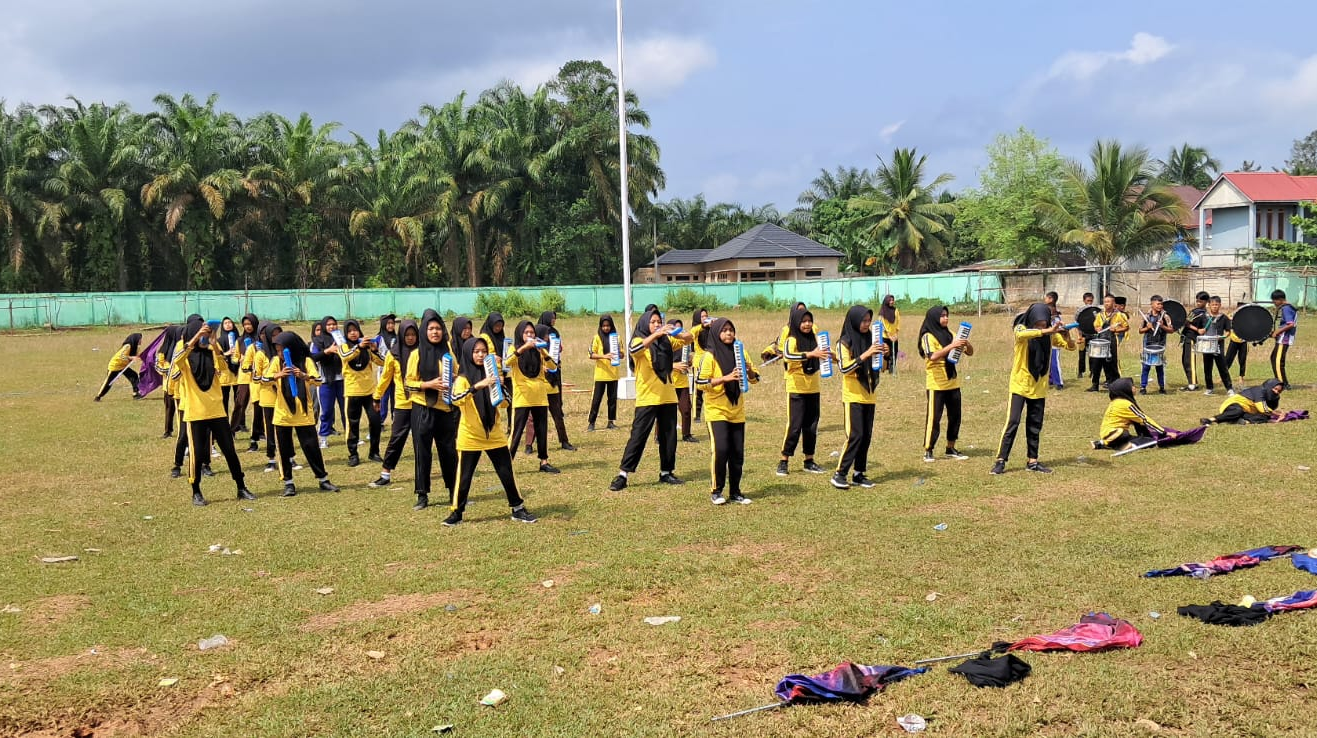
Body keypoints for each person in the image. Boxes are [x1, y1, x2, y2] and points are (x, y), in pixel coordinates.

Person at [444, 336, 538, 526]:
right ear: (469, 354)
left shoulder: (492, 375)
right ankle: (456, 512)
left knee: (506, 472)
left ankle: (517, 508)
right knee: (464, 476)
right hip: (470, 435)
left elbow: (505, 403)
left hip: (493, 434)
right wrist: (477, 386)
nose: (480, 355)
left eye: (483, 351)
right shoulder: (462, 379)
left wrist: (499, 385)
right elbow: (455, 399)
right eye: (476, 351)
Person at [170, 317, 253, 506]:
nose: (203, 337)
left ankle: (241, 486)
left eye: (205, 333)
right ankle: (196, 491)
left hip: (217, 412)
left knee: (230, 451)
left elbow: (224, 367)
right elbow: (177, 360)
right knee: (197, 454)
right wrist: (195, 338)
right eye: (200, 333)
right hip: (196, 413)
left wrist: (214, 345)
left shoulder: (210, 353)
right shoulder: (185, 357)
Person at [608, 307, 690, 491]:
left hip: (668, 396)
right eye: (653, 322)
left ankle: (666, 472)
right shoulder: (639, 340)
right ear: (645, 323)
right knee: (638, 437)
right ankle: (623, 474)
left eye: (658, 322)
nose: (656, 325)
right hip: (647, 398)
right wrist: (657, 333)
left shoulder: (666, 341)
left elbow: (689, 339)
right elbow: (634, 348)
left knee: (669, 437)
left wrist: (677, 331)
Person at [991, 303, 1074, 475]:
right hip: (1020, 385)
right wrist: (1047, 331)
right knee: (1012, 423)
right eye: (1038, 323)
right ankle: (1001, 460)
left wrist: (1068, 337)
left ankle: (1033, 461)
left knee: (1035, 425)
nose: (1041, 327)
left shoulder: (1050, 334)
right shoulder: (1022, 328)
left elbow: (1071, 347)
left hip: (1039, 387)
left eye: (1044, 324)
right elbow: (1021, 334)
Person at [265, 331, 339, 496]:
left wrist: (303, 375)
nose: (279, 354)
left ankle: (323, 479)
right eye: (277, 350)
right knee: (284, 450)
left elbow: (318, 380)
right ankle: (288, 483)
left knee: (311, 447)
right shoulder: (277, 362)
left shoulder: (306, 361)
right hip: (283, 415)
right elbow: (263, 380)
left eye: (282, 350)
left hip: (304, 414)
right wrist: (279, 375)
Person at [697, 317, 759, 505]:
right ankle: (716, 491)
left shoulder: (741, 352)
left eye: (731, 329)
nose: (729, 333)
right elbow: (700, 383)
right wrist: (725, 378)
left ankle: (736, 491)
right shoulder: (709, 356)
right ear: (716, 333)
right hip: (716, 411)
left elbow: (755, 379)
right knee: (721, 449)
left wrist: (749, 371)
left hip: (737, 410)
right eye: (724, 330)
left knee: (737, 453)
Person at [404, 310, 461, 511]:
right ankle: (422, 494)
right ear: (424, 331)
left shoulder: (448, 352)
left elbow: (457, 373)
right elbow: (408, 383)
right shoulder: (416, 354)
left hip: (445, 409)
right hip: (423, 409)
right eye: (430, 329)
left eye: (438, 328)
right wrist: (428, 384)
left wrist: (454, 379)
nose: (435, 332)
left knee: (449, 451)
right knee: (423, 452)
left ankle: (453, 491)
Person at [831, 305, 888, 489]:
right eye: (863, 321)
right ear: (854, 320)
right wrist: (866, 354)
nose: (866, 324)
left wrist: (884, 355)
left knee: (866, 436)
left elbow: (881, 368)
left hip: (869, 395)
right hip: (853, 396)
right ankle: (840, 473)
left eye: (868, 321)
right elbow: (844, 368)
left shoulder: (872, 339)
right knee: (855, 435)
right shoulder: (844, 342)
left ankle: (859, 473)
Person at [777, 307, 829, 475]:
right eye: (803, 321)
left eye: (809, 321)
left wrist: (831, 356)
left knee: (812, 425)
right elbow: (788, 356)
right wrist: (810, 354)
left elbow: (822, 353)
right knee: (795, 425)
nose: (807, 324)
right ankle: (784, 460)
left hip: (813, 387)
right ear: (797, 322)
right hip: (796, 387)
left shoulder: (815, 337)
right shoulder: (791, 339)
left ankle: (809, 459)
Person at [369, 319, 419, 492]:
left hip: (421, 403)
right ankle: (385, 474)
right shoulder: (393, 354)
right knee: (396, 439)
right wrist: (377, 397)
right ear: (401, 335)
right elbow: (385, 378)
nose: (411, 338)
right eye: (407, 335)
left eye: (413, 335)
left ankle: (422, 478)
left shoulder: (423, 352)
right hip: (403, 404)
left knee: (422, 441)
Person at [918, 306, 973, 462]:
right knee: (934, 418)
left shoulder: (951, 334)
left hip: (952, 381)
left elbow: (970, 352)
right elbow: (933, 356)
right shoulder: (927, 336)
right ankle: (928, 449)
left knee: (955, 416)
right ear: (934, 318)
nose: (946, 318)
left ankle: (951, 447)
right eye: (942, 316)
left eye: (947, 315)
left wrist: (966, 344)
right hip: (936, 383)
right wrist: (951, 346)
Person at [506, 319, 561, 474]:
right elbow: (508, 362)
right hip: (522, 397)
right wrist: (523, 348)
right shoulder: (514, 348)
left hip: (539, 395)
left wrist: (543, 351)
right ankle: (508, 461)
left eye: (532, 333)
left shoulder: (539, 351)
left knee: (541, 429)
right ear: (520, 334)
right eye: (527, 332)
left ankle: (544, 461)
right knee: (517, 430)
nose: (530, 335)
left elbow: (553, 367)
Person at [526, 311, 575, 451]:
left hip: (552, 384)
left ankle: (564, 441)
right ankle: (529, 444)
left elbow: (555, 361)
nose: (548, 338)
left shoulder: (548, 350)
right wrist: (541, 367)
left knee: (557, 414)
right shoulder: (532, 349)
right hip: (538, 387)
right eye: (546, 336)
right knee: (532, 417)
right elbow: (528, 366)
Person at [340, 319, 385, 466]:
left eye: (356, 330)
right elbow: (345, 356)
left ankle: (374, 452)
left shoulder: (366, 348)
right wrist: (358, 347)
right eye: (350, 331)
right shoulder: (343, 346)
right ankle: (353, 454)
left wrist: (374, 350)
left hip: (370, 392)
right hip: (352, 392)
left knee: (375, 422)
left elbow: (383, 362)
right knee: (353, 424)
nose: (353, 333)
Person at [1091, 378, 1169, 453]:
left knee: (1150, 441)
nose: (1135, 388)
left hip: (1115, 435)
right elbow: (1144, 419)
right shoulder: (1125, 404)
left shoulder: (1117, 401)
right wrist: (1164, 432)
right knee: (1123, 433)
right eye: (1132, 386)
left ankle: (1105, 444)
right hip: (1114, 434)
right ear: (1125, 389)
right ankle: (1107, 443)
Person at [249, 322, 282, 472]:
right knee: (270, 429)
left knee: (284, 429)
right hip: (268, 397)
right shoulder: (260, 354)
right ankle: (272, 458)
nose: (276, 338)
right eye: (273, 335)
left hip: (283, 396)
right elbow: (255, 378)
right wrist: (272, 378)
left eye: (278, 334)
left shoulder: (282, 352)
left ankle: (288, 457)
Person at [311, 315, 346, 447]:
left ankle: (351, 435)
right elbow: (313, 357)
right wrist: (328, 351)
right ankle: (323, 438)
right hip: (326, 381)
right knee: (326, 410)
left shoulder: (340, 338)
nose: (332, 327)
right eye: (329, 325)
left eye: (334, 324)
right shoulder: (317, 341)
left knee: (346, 409)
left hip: (342, 379)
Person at [1086, 295, 1128, 391]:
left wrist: (1116, 329)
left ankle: (1112, 383)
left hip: (1112, 340)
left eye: (1108, 302)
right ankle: (1095, 385)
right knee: (1096, 362)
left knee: (1110, 362)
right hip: (1100, 339)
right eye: (1105, 302)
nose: (1106, 304)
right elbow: (1096, 326)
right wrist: (1097, 328)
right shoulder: (1100, 315)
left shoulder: (1119, 315)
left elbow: (1126, 327)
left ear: (1113, 304)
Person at [587, 314, 620, 431]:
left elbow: (622, 353)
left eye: (608, 325)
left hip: (613, 374)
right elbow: (591, 354)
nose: (606, 328)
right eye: (604, 326)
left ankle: (611, 421)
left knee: (612, 399)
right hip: (601, 374)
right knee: (596, 399)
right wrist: (604, 356)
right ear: (600, 326)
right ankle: (592, 422)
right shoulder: (596, 338)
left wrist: (619, 354)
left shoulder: (616, 338)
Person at [667, 318, 698, 443]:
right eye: (675, 329)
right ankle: (659, 435)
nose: (679, 332)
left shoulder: (685, 343)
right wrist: (674, 365)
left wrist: (689, 362)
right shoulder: (665, 342)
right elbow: (659, 361)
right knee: (666, 411)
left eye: (680, 329)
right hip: (669, 381)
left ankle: (686, 434)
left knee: (686, 409)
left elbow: (688, 357)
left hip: (682, 380)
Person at [1202, 379, 1284, 425]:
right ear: (1269, 387)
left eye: (1279, 391)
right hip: (1232, 406)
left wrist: (1273, 417)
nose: (1276, 392)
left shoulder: (1271, 397)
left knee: (1264, 417)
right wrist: (1278, 414)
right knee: (1238, 411)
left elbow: (1265, 411)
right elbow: (1262, 408)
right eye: (1275, 389)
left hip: (1246, 411)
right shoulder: (1259, 391)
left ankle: (1239, 421)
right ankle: (1211, 419)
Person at [480, 312, 513, 426]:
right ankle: (492, 425)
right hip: (492, 375)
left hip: (505, 373)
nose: (498, 328)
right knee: (493, 402)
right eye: (496, 325)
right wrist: (499, 376)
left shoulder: (501, 336)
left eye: (500, 325)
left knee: (510, 401)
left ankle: (510, 426)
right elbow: (492, 358)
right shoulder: (485, 337)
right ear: (490, 324)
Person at [1197, 296, 1235, 396]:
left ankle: (1229, 388)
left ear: (1220, 305)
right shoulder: (1204, 316)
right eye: (1213, 305)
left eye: (1216, 305)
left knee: (1222, 367)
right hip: (1206, 345)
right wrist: (1200, 331)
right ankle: (1209, 388)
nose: (1214, 307)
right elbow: (1198, 328)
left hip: (1218, 345)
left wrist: (1222, 337)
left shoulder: (1223, 318)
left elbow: (1228, 332)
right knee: (1207, 367)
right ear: (1209, 305)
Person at [1137, 295, 1174, 394]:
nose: (1160, 306)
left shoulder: (1165, 316)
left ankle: (1162, 387)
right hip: (1148, 343)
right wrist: (1148, 328)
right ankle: (1143, 387)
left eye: (1161, 304)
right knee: (1146, 366)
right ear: (1152, 304)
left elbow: (1171, 330)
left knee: (1159, 366)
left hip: (1160, 343)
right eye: (1158, 304)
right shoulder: (1147, 316)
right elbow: (1140, 330)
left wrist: (1162, 326)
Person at [230, 312, 259, 434]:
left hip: (257, 376)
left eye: (249, 323)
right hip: (244, 376)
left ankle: (259, 431)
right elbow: (234, 358)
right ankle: (233, 429)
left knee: (258, 405)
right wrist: (239, 359)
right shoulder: (240, 340)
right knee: (240, 403)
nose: (247, 326)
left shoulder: (260, 340)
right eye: (245, 324)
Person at [94, 332, 143, 401]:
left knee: (134, 376)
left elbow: (136, 356)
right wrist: (131, 358)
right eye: (140, 339)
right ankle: (98, 396)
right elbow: (122, 356)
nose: (141, 341)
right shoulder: (127, 346)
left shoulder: (136, 348)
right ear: (136, 339)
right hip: (115, 366)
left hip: (123, 366)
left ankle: (136, 393)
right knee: (109, 382)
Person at [155, 324, 182, 437]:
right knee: (169, 409)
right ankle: (168, 430)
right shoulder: (163, 351)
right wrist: (168, 370)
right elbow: (158, 366)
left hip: (181, 386)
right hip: (168, 386)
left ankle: (183, 431)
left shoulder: (181, 349)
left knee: (182, 410)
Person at [1179, 292, 1209, 391]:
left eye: (1200, 301)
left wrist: (1200, 331)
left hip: (1192, 338)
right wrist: (1197, 329)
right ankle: (1192, 381)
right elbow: (1186, 323)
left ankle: (1193, 384)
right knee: (1185, 361)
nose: (1198, 303)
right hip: (1188, 336)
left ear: (1206, 302)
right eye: (1197, 301)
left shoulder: (1205, 313)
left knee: (1190, 361)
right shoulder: (1195, 312)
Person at [214, 317, 242, 415]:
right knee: (224, 399)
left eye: (230, 322)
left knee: (239, 400)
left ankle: (239, 423)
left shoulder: (239, 339)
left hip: (238, 373)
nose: (228, 324)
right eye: (225, 323)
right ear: (222, 326)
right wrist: (227, 353)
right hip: (225, 373)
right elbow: (217, 355)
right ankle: (224, 421)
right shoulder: (219, 341)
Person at [1270, 289, 1297, 389]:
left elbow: (1290, 324)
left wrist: (1278, 331)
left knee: (1277, 361)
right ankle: (1280, 381)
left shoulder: (1286, 308)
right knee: (1274, 358)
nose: (1274, 303)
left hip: (1284, 338)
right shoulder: (1289, 307)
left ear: (1280, 299)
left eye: (1275, 301)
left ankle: (1283, 384)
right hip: (1283, 338)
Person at [373, 314, 398, 423]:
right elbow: (374, 353)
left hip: (396, 372)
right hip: (383, 372)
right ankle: (380, 421)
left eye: (392, 323)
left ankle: (395, 419)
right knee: (383, 396)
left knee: (395, 396)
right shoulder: (379, 338)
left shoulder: (397, 338)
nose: (391, 325)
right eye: (388, 323)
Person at [690, 308, 711, 422]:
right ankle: (696, 415)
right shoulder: (696, 329)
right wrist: (703, 325)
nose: (705, 318)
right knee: (698, 390)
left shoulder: (710, 328)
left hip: (710, 361)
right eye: (702, 316)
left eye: (706, 316)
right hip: (699, 362)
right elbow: (693, 332)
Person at [1043, 292, 1065, 390]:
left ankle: (1059, 382)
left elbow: (1058, 326)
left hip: (1054, 341)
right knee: (1047, 362)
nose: (1045, 299)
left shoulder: (1054, 312)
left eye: (1046, 298)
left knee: (1054, 362)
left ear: (1051, 299)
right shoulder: (1046, 310)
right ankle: (1050, 379)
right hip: (1047, 340)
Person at [1225, 302, 1250, 381]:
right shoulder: (1232, 316)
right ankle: (1224, 375)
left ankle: (1241, 377)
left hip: (1243, 342)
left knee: (1242, 359)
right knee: (1228, 359)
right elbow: (1226, 322)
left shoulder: (1247, 318)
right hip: (1233, 341)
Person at [879, 295, 900, 375]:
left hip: (894, 336)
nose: (892, 302)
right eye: (890, 300)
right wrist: (889, 335)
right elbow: (882, 324)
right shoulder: (882, 312)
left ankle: (892, 370)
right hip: (885, 337)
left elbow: (898, 322)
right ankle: (884, 368)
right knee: (886, 353)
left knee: (894, 353)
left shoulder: (896, 310)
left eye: (893, 300)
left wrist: (896, 334)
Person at [1076, 292, 1095, 379]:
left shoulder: (1095, 310)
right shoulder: (1080, 311)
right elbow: (1077, 323)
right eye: (1088, 301)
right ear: (1084, 300)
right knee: (1081, 354)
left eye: (1091, 301)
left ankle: (1092, 371)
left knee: (1092, 354)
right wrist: (1079, 335)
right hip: (1083, 335)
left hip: (1093, 335)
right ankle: (1080, 372)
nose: (1089, 303)